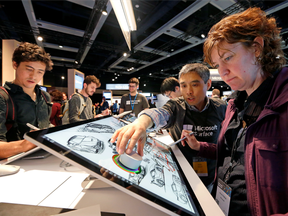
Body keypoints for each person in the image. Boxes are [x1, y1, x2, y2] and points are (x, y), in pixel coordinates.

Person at [180, 7, 288, 216]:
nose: (222, 72)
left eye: (228, 58)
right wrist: (200, 146)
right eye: (217, 64)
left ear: (256, 47)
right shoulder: (236, 104)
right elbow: (236, 154)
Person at [111, 63, 227, 189]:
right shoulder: (176, 105)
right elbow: (161, 113)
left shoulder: (221, 108)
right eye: (183, 85)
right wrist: (142, 123)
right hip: (180, 173)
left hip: (210, 175)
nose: (188, 91)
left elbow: (227, 147)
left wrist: (199, 146)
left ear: (208, 84)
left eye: (195, 85)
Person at [0, 42, 53, 159]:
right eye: (29, 69)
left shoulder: (44, 96)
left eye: (40, 72)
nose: (34, 76)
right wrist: (26, 144)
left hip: (46, 159)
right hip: (14, 166)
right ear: (15, 64)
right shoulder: (3, 97)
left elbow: (44, 123)